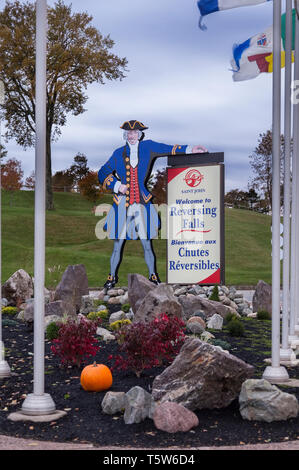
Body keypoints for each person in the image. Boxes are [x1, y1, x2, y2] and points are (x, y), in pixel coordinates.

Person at [98, 120, 207, 290]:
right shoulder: (118, 153)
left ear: (140, 134)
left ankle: (153, 276)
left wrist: (190, 149)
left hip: (142, 202)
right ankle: (111, 278)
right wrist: (117, 185)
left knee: (146, 242)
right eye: (128, 133)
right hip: (122, 204)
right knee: (117, 244)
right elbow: (103, 172)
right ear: (125, 135)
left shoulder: (148, 147)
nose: (131, 135)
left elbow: (167, 148)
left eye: (135, 133)